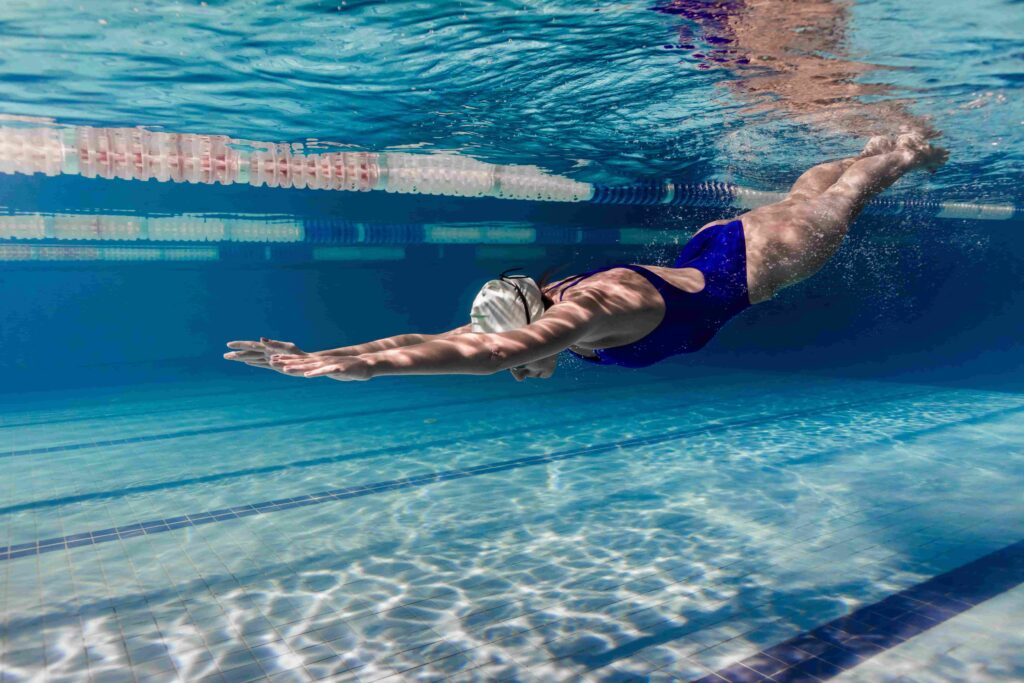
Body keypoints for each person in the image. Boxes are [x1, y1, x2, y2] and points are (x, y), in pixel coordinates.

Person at [224, 133, 946, 382]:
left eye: (515, 351)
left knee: (857, 187)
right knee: (809, 192)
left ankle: (910, 145)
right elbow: (443, 341)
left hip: (762, 263)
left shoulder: (590, 312)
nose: (514, 365)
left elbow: (477, 355)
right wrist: (323, 354)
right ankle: (875, 142)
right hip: (719, 249)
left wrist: (367, 366)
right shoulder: (557, 308)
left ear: (537, 320)